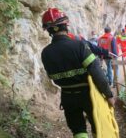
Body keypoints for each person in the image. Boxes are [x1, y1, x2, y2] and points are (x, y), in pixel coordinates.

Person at [41, 8, 115, 138]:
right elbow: (96, 72)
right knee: (98, 125)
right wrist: (108, 94)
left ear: (48, 30)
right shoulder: (79, 46)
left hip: (67, 96)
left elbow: (51, 76)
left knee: (78, 129)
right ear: (66, 25)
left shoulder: (45, 53)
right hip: (89, 94)